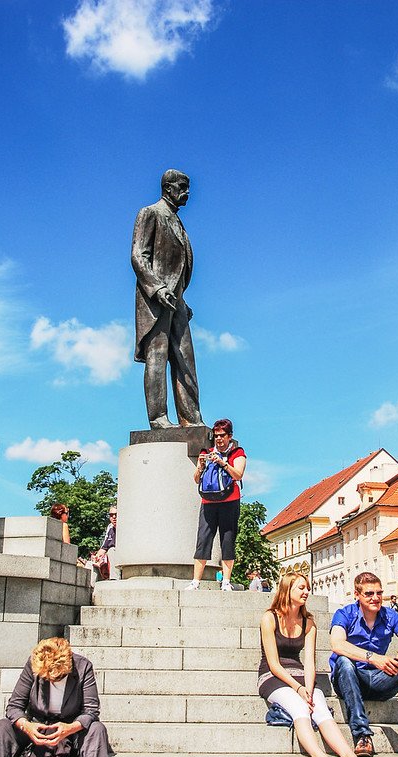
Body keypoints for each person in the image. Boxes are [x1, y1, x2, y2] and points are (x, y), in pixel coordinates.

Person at [258, 573, 373, 757]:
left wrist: (309, 689)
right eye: (301, 588)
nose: (306, 592)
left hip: (301, 674)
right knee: (300, 709)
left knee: (320, 709)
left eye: (307, 588)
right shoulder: (269, 618)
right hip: (273, 676)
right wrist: (298, 689)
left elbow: (309, 662)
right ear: (287, 590)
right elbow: (273, 664)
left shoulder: (308, 621)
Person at [0, 637, 118, 757]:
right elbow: (14, 707)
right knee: (1, 728)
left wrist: (71, 727)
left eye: (56, 676)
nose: (51, 680)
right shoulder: (33, 664)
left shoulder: (83, 667)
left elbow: (91, 710)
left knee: (97, 729)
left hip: (69, 728)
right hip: (37, 725)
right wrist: (27, 726)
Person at [131, 169, 204, 429]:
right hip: (156, 299)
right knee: (157, 356)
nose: (187, 192)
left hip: (177, 299)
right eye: (183, 186)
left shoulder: (177, 222)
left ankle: (191, 419)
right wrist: (158, 288)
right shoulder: (150, 213)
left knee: (186, 359)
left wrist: (182, 298)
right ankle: (158, 419)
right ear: (168, 188)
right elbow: (139, 256)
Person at [329, 571, 398, 757]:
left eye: (379, 593)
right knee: (345, 662)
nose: (376, 598)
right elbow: (337, 644)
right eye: (369, 594)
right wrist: (373, 658)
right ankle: (362, 735)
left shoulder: (390, 615)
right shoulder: (345, 614)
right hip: (350, 678)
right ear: (357, 595)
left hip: (379, 681)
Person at [185, 419, 246, 591]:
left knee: (227, 540)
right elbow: (197, 479)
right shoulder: (206, 451)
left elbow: (238, 474)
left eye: (222, 436)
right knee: (203, 540)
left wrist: (222, 463)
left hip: (229, 502)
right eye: (216, 436)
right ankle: (195, 581)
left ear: (230, 436)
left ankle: (226, 581)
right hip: (208, 502)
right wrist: (201, 466)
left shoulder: (237, 453)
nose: (219, 439)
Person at [94, 506, 120, 580]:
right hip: (109, 557)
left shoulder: (126, 527)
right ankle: (92, 587)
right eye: (111, 515)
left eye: (116, 514)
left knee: (112, 551)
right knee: (92, 562)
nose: (114, 517)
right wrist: (96, 557)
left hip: (120, 555)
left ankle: (114, 580)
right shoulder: (110, 527)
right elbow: (104, 547)